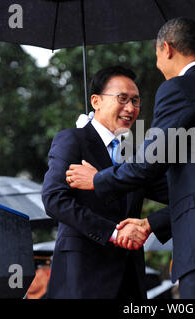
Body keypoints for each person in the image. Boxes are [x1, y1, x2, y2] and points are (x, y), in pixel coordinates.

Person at [66, 17, 195, 299]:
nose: (157, 65)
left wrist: (98, 179)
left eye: (156, 56)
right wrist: (149, 223)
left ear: (166, 48)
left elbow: (151, 161)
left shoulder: (178, 88)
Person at [41, 66, 168, 299]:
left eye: (136, 101)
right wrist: (112, 232)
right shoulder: (72, 140)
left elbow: (178, 193)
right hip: (82, 277)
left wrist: (150, 223)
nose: (130, 108)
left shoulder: (136, 154)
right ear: (96, 101)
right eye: (122, 99)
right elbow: (54, 199)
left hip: (130, 279)